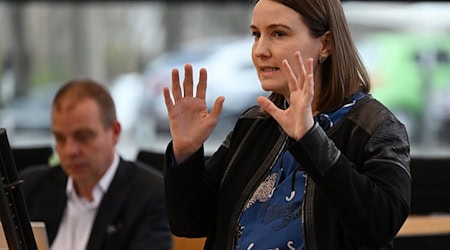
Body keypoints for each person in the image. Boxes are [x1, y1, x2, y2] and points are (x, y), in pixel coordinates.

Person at [162, 0, 411, 249]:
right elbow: (190, 223)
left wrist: (310, 137)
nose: (260, 50)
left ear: (325, 44)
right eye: (256, 35)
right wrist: (186, 153)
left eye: (278, 34)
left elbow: (379, 226)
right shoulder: (254, 123)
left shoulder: (377, 126)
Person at [20, 79, 173, 250]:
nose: (70, 151)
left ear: (115, 132)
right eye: (60, 138)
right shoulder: (30, 188)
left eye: (84, 136)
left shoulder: (150, 195)